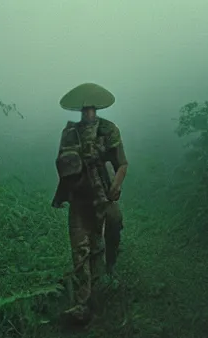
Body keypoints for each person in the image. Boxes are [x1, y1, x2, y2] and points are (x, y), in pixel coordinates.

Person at [52, 83, 128, 324]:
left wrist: (116, 185)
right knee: (80, 248)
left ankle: (110, 268)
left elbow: (122, 163)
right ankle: (83, 303)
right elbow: (63, 165)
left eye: (91, 109)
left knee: (112, 224)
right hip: (79, 197)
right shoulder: (70, 133)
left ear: (96, 109)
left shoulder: (108, 130)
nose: (88, 113)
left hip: (103, 194)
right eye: (84, 110)